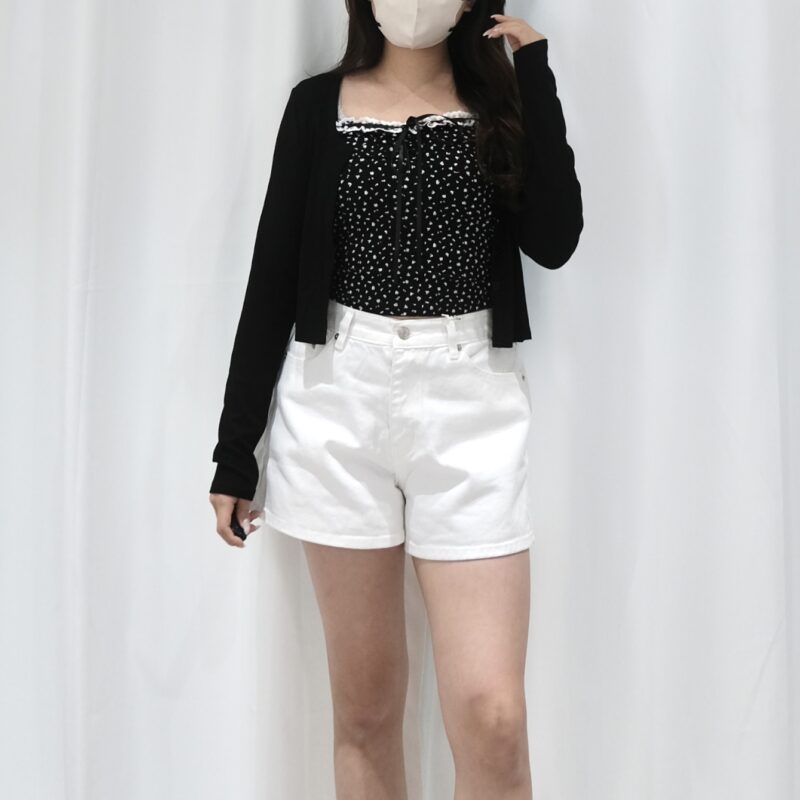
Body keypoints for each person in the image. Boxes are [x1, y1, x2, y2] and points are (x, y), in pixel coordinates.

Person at [209, 1, 583, 796]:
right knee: (368, 712)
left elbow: (555, 239)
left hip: (471, 407)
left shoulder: (497, 107)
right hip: (337, 403)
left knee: (493, 717)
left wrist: (534, 73)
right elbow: (272, 278)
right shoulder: (318, 106)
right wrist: (235, 451)